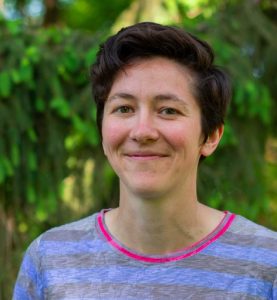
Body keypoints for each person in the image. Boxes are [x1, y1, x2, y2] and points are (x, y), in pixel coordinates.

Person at [13, 22, 277, 299]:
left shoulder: (267, 264)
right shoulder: (50, 261)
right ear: (102, 131)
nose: (142, 132)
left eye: (168, 110)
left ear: (210, 135)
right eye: (124, 108)